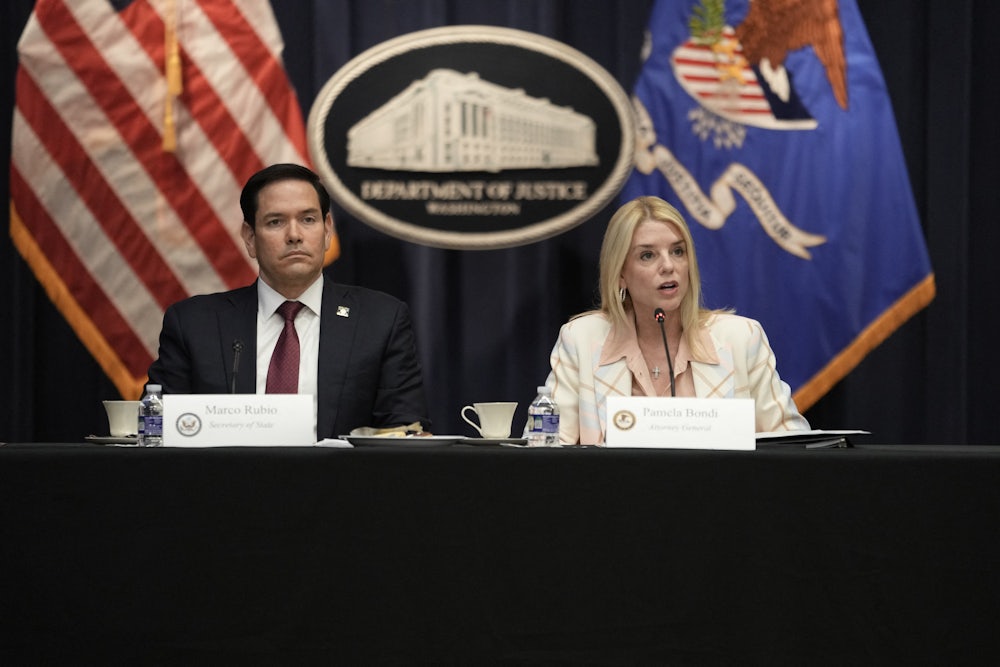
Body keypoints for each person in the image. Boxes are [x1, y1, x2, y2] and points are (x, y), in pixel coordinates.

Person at [148, 163, 430, 439]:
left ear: (327, 229)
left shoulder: (380, 321)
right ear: (250, 238)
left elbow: (404, 431)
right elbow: (156, 430)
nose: (294, 235)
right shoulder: (195, 325)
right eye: (276, 222)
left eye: (308, 219)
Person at [542, 195, 809, 445]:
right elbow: (544, 449)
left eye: (678, 251)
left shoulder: (740, 339)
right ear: (620, 273)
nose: (668, 266)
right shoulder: (581, 339)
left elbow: (792, 445)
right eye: (648, 255)